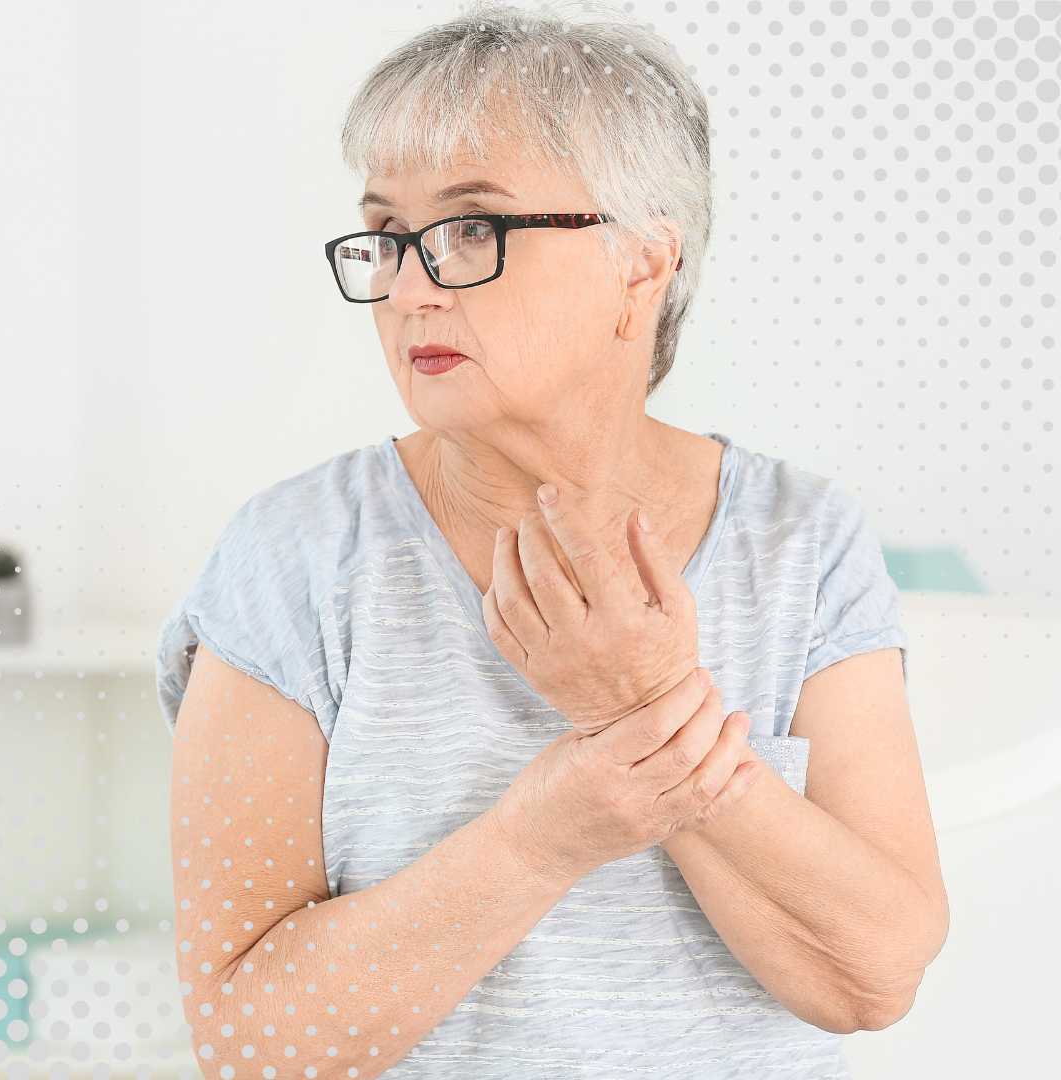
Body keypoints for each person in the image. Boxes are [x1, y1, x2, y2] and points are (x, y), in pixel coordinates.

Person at [156, 3, 947, 1077]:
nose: (408, 284)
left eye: (472, 228)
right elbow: (249, 1044)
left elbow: (874, 977)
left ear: (642, 259)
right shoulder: (291, 556)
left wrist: (641, 701)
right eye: (386, 233)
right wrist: (547, 834)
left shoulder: (800, 539)